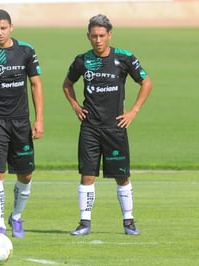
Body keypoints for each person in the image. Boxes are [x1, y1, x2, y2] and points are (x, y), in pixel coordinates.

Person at [62, 14, 153, 236]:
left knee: (122, 176)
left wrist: (133, 111)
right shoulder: (82, 60)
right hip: (90, 128)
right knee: (87, 175)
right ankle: (84, 222)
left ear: (109, 35)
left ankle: (129, 221)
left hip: (115, 127)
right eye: (94, 36)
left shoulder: (124, 58)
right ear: (88, 36)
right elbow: (67, 84)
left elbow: (146, 82)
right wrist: (75, 106)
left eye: (102, 35)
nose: (98, 40)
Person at [0, 9, 44, 238]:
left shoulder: (26, 51)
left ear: (11, 27)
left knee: (25, 174)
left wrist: (38, 119)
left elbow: (36, 85)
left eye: (3, 28)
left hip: (21, 122)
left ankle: (16, 216)